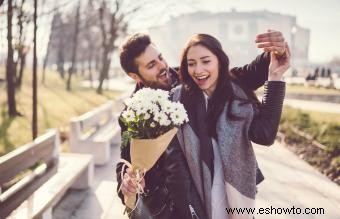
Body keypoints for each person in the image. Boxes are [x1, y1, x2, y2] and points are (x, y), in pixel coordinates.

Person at [116, 31, 287, 218]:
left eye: (160, 58)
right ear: (135, 76)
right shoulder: (134, 112)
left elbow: (240, 76)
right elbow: (128, 159)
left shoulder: (191, 77)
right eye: (151, 65)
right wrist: (126, 181)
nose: (162, 66)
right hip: (174, 206)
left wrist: (273, 53)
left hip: (221, 186)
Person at [164, 34, 289, 219]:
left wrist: (276, 71)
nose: (198, 70)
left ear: (220, 62)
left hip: (234, 193)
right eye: (191, 63)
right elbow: (174, 167)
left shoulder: (234, 90)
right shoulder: (177, 100)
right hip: (197, 200)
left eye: (206, 61)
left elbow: (265, 135)